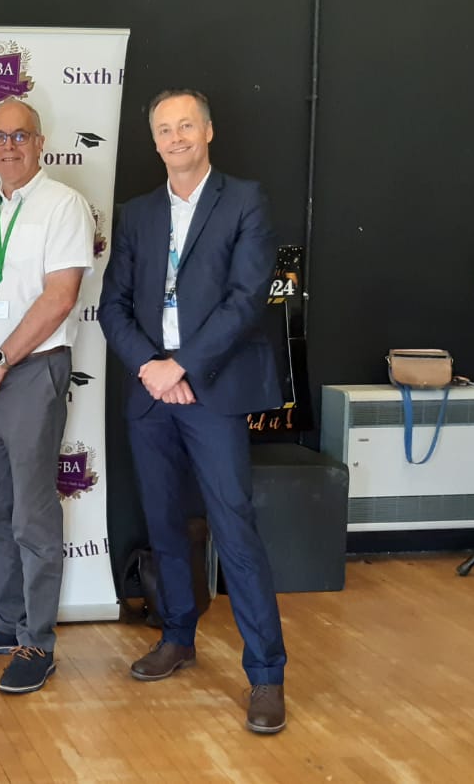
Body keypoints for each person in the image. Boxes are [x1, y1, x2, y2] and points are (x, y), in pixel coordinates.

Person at [98, 89, 288, 734]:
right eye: (163, 129)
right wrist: (152, 367)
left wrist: (182, 366)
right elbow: (112, 306)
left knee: (234, 529)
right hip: (151, 389)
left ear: (208, 131)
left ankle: (265, 675)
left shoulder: (244, 200)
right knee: (163, 523)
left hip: (212, 385)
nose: (175, 137)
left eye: (186, 125)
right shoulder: (138, 213)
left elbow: (246, 298)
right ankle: (177, 635)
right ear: (153, 141)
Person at [0, 98, 94, 695]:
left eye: (19, 135)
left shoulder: (64, 205)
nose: (8, 146)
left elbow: (60, 296)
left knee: (32, 515)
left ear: (39, 142)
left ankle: (37, 642)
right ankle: (4, 623)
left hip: (28, 374)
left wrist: (1, 360)